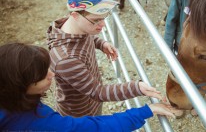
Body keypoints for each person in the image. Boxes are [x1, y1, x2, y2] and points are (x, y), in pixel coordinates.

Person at [47, 0, 166, 117]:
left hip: (90, 101)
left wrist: (101, 43)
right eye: (96, 20)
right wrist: (136, 87)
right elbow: (98, 92)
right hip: (80, 114)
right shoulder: (66, 60)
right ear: (75, 15)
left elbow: (85, 38)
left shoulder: (74, 27)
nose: (103, 24)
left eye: (104, 17)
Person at [0, 43, 175, 131]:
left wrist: (100, 43)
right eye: (41, 76)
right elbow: (94, 128)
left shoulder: (10, 95)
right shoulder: (35, 120)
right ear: (20, 86)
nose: (52, 74)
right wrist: (146, 109)